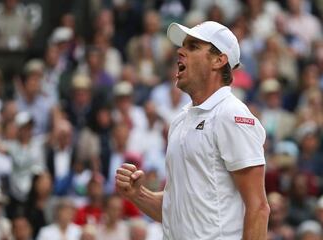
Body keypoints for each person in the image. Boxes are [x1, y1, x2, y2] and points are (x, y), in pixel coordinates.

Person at [115, 21, 270, 239]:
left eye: (193, 46)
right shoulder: (180, 121)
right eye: (182, 46)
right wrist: (138, 194)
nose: (180, 51)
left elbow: (258, 208)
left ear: (219, 60)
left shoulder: (232, 115)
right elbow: (176, 211)